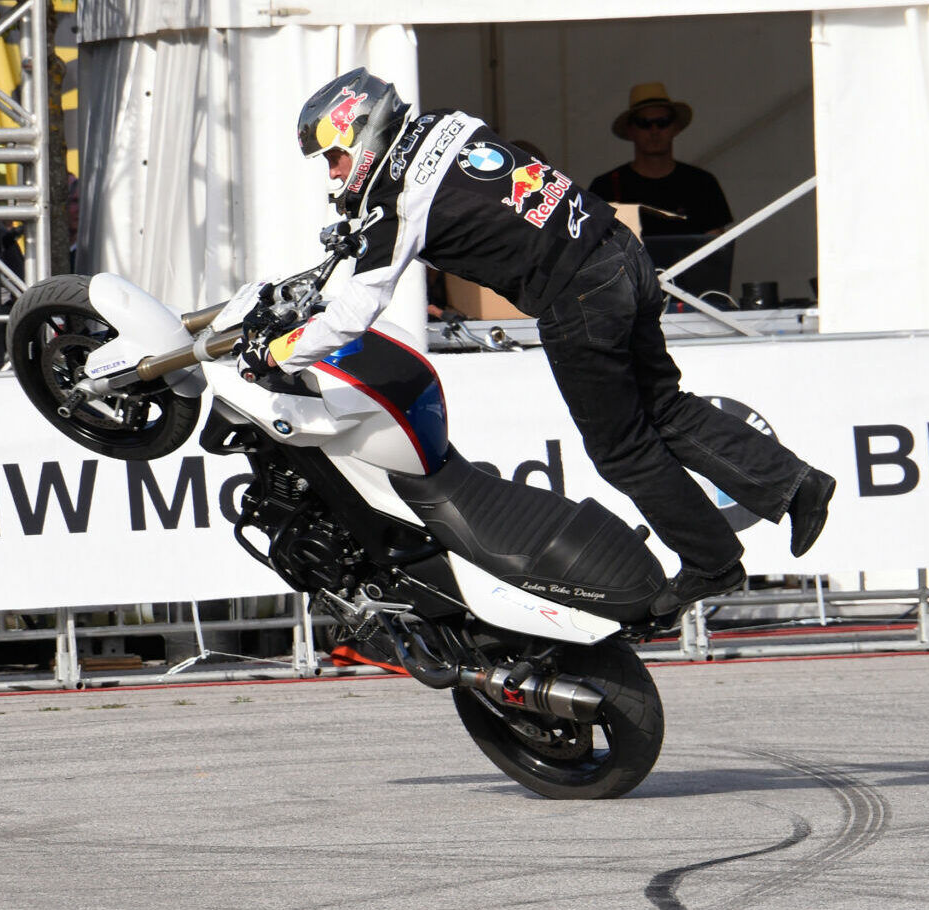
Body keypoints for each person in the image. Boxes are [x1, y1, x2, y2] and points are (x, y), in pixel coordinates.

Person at [243, 68, 836, 615]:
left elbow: (356, 309)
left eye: (336, 157)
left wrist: (280, 352)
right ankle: (795, 484)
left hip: (577, 294)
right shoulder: (451, 123)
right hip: (620, 252)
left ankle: (713, 564)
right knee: (665, 407)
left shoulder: (396, 200)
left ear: (365, 133)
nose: (334, 173)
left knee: (621, 449)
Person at [588, 82, 732, 238]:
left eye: (663, 122)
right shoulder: (606, 187)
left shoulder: (702, 184)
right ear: (630, 130)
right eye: (644, 123)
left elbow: (717, 251)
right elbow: (590, 249)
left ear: (675, 127)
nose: (654, 131)